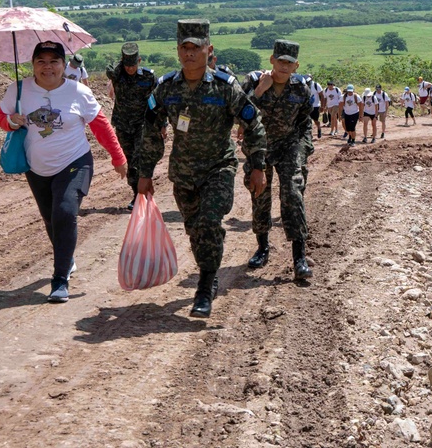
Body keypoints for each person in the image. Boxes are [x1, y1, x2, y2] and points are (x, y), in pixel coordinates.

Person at [137, 20, 267, 318]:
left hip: (218, 169)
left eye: (196, 48)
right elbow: (150, 130)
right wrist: (144, 174)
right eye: (185, 47)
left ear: (209, 50)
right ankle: (210, 266)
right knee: (196, 231)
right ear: (178, 51)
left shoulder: (224, 87)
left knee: (209, 221)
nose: (190, 53)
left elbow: (253, 123)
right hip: (183, 174)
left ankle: (205, 287)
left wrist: (257, 165)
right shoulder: (167, 88)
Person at [0, 41, 127, 303]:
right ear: (32, 65)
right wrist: (10, 121)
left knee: (65, 212)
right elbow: (0, 117)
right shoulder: (18, 90)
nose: (47, 67)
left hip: (75, 160)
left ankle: (60, 279)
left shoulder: (78, 92)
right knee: (49, 217)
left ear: (63, 65)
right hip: (36, 166)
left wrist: (118, 157)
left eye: (54, 61)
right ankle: (67, 256)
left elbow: (101, 126)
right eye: (41, 61)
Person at [239, 40, 314, 281]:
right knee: (259, 194)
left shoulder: (302, 89)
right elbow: (240, 116)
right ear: (272, 60)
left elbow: (305, 124)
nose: (284, 66)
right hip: (259, 147)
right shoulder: (253, 81)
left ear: (296, 66)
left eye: (289, 63)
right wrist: (259, 91)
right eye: (280, 61)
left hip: (288, 146)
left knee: (292, 193)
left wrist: (302, 151)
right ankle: (262, 247)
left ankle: (299, 258)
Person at [105, 42, 157, 210]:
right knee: (128, 161)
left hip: (141, 124)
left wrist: (159, 123)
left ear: (139, 61)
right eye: (126, 65)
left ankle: (141, 195)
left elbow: (157, 101)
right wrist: (123, 62)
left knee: (137, 158)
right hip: (122, 124)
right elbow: (110, 69)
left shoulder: (148, 77)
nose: (129, 69)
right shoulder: (118, 75)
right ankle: (136, 192)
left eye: (133, 64)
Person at [307, 74, 324, 139]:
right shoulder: (304, 85)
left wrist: (322, 106)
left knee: (316, 120)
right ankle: (309, 134)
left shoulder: (316, 85)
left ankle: (319, 129)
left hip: (315, 106)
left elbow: (322, 96)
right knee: (308, 121)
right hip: (307, 106)